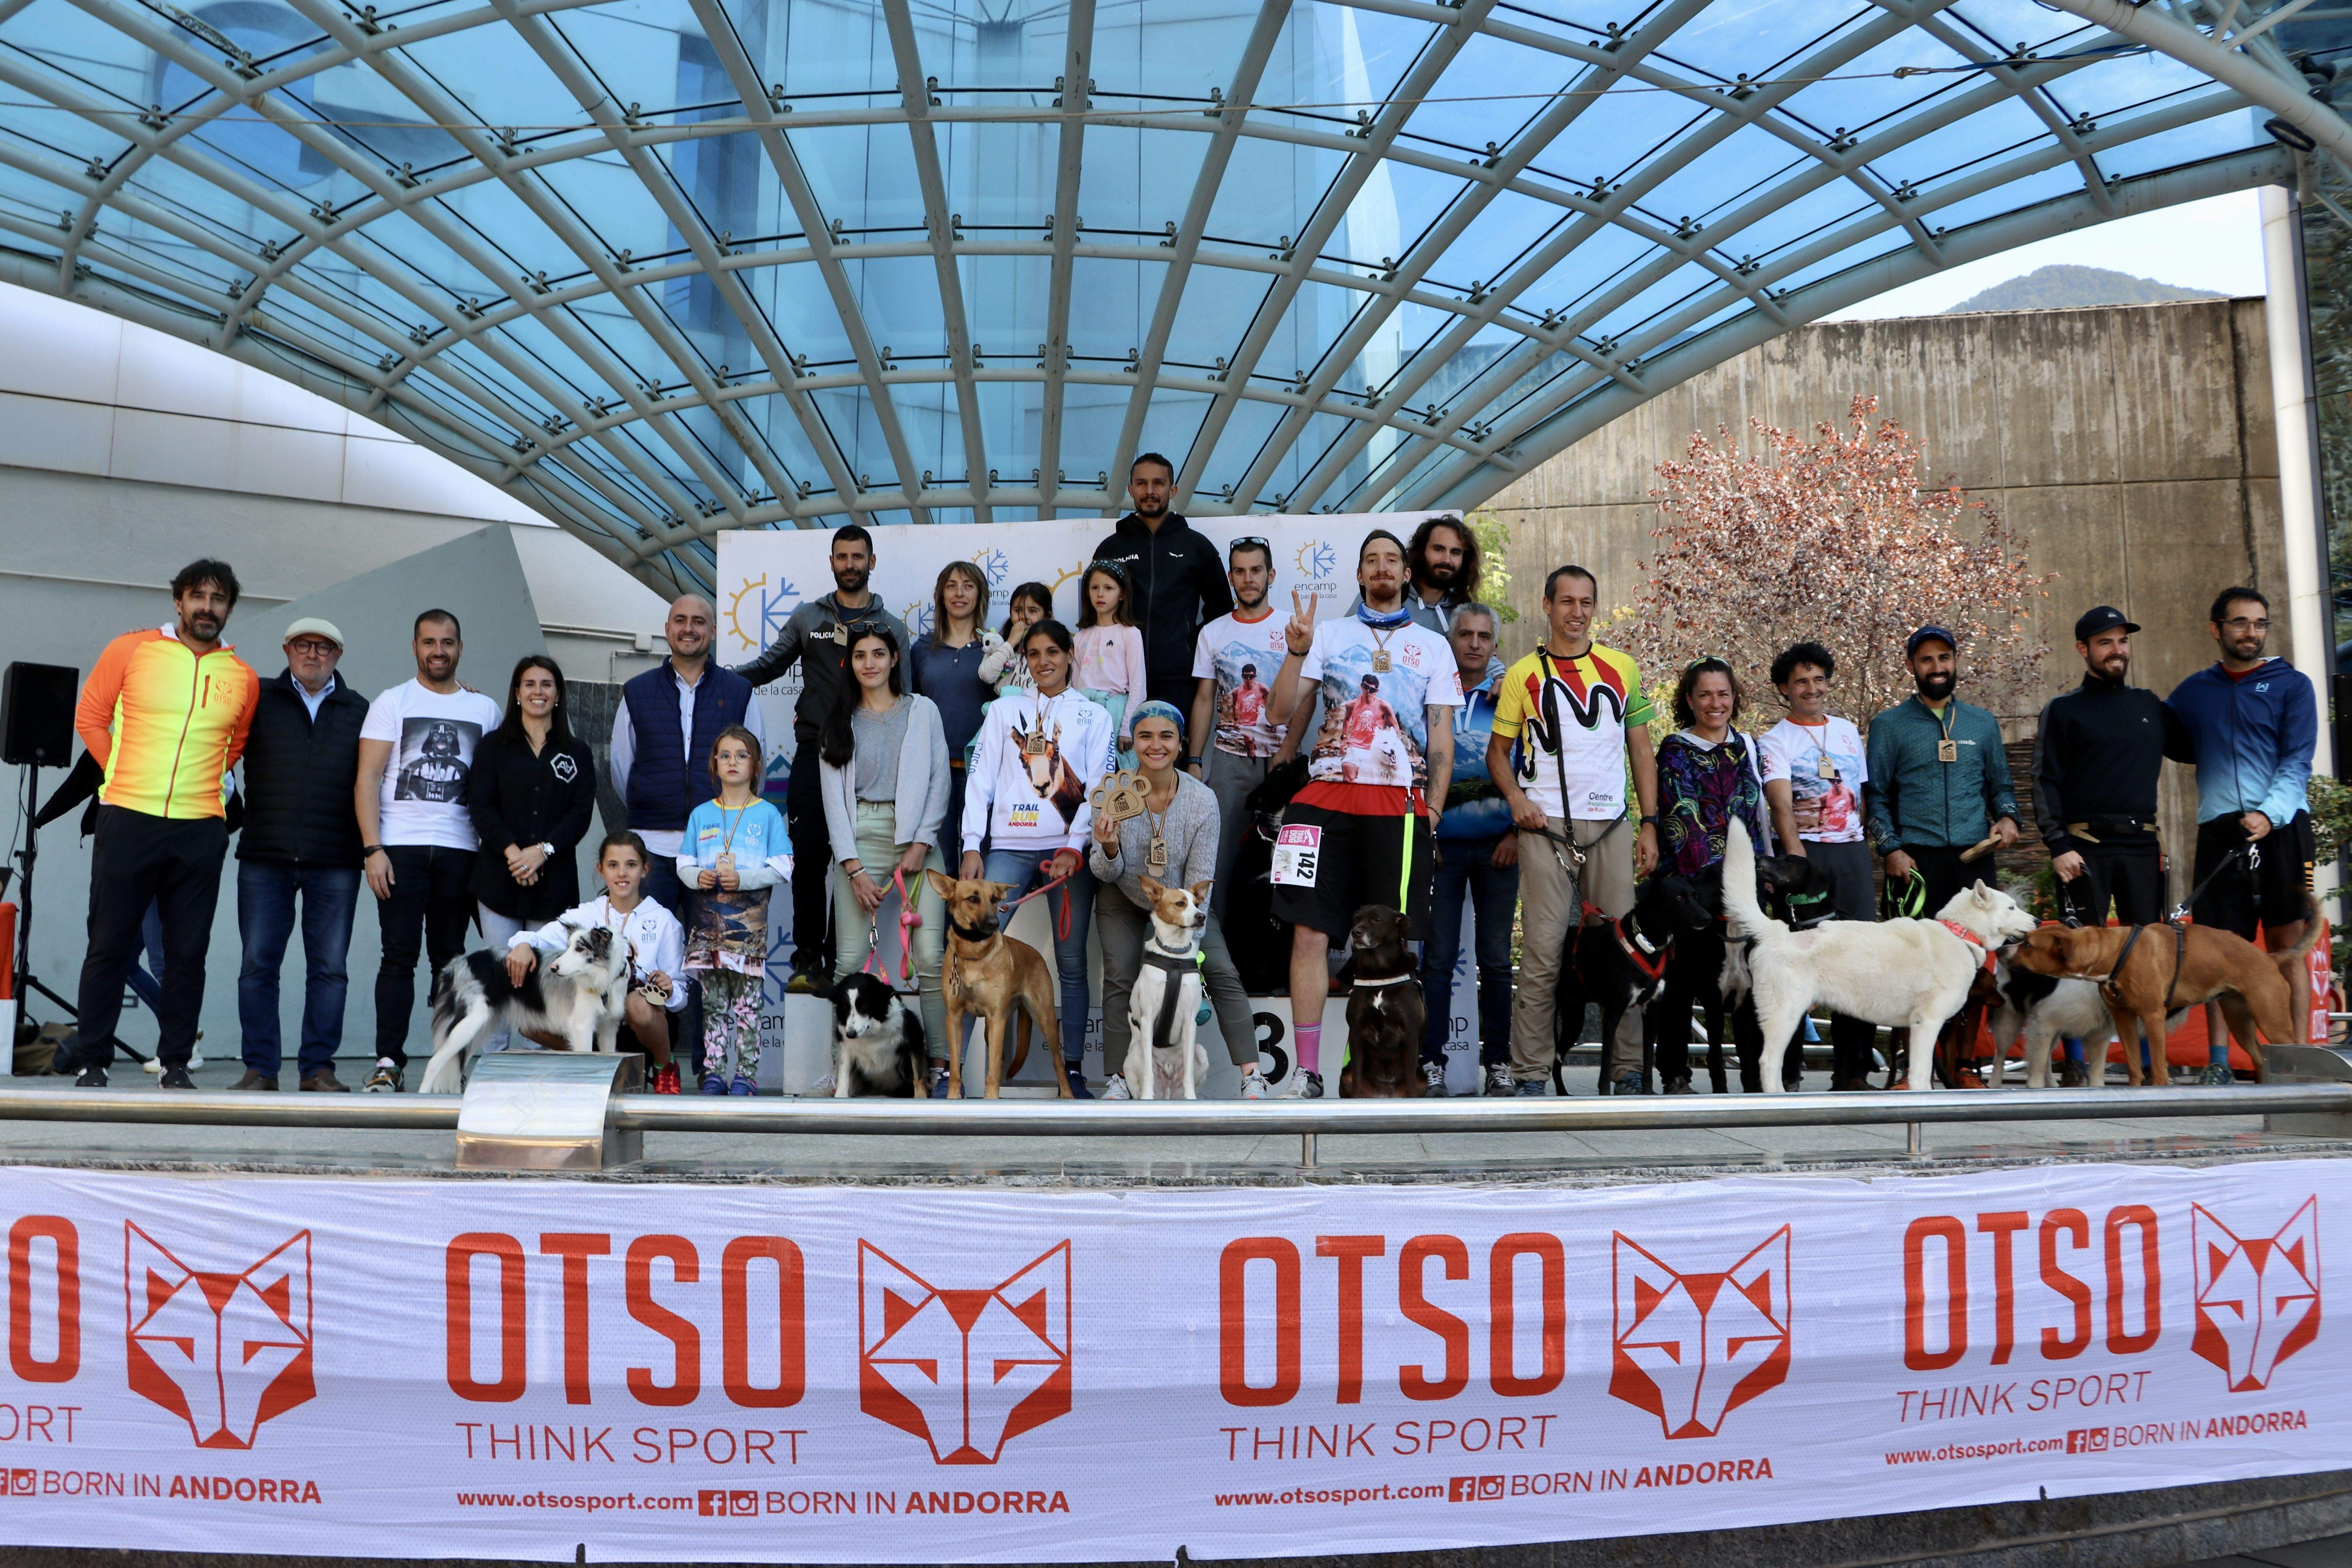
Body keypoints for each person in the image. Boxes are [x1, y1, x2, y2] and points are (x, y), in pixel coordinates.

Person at [1265, 532, 1462, 1100]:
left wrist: (1435, 810)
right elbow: (1280, 714)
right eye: (1371, 561)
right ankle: (1307, 1072)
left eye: (1391, 562)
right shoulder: (1328, 633)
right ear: (1359, 575)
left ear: (1406, 574)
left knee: (1392, 947)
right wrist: (1297, 651)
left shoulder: (1433, 645)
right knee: (1308, 934)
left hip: (1397, 808)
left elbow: (1441, 735)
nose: (1382, 570)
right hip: (1322, 802)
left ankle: (1375, 1071)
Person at [70, 558, 260, 1088]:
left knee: (187, 953)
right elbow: (91, 716)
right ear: (178, 601)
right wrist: (122, 773)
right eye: (198, 596)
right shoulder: (130, 649)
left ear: (228, 609)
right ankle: (93, 1060)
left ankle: (176, 1062)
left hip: (200, 828)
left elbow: (234, 746)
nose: (207, 607)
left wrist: (201, 789)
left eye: (218, 600)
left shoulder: (241, 676)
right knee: (109, 943)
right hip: (128, 816)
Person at [1487, 565, 1659, 1096]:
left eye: (1587, 602)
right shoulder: (1522, 674)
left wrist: (1649, 823)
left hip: (1610, 825)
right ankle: (1531, 1074)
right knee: (1542, 953)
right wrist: (1517, 801)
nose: (1577, 612)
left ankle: (1627, 1070)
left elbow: (1641, 750)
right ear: (1547, 606)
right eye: (1566, 601)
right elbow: (1499, 752)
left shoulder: (1622, 668)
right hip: (1545, 830)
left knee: (1628, 953)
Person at [735, 526, 911, 991]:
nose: (850, 564)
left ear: (872, 562)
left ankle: (839, 961)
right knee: (810, 862)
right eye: (842, 557)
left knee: (852, 861)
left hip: (871, 759)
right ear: (831, 562)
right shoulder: (807, 616)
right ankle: (807, 960)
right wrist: (718, 679)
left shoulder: (892, 627)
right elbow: (768, 667)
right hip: (815, 753)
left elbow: (907, 697)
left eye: (859, 557)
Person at [2165, 586, 2318, 1085]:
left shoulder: (2292, 684)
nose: (2251, 633)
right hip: (2220, 829)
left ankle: (2296, 1060)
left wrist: (2268, 815)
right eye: (2240, 623)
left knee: (2286, 943)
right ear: (2217, 629)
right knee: (2218, 950)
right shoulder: (2193, 692)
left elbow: (2299, 759)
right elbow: (2169, 741)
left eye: (2259, 624)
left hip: (2283, 826)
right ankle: (2219, 1060)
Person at [961, 619, 1117, 1095]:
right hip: (1008, 845)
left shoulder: (1094, 715)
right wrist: (972, 843)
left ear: (1071, 654)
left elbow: (1097, 788)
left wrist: (1075, 844)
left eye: (1053, 651)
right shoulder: (1004, 712)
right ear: (1024, 660)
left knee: (1072, 964)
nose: (1045, 661)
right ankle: (947, 1070)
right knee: (970, 951)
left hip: (1067, 851)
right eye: (1034, 654)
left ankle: (1070, 1070)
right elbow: (980, 778)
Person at [1088, 701, 1273, 1100]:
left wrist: (1187, 940)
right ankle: (1119, 1078)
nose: (1156, 745)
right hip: (1126, 896)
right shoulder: (1114, 793)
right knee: (1120, 974)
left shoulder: (1202, 800)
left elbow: (1200, 881)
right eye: (1146, 736)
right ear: (1132, 742)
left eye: (1166, 736)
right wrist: (1107, 847)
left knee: (1222, 970)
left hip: (1183, 906)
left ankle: (1252, 1075)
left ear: (1181, 741)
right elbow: (1105, 873)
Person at [1863, 624, 2020, 1089]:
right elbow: (1877, 796)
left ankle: (1965, 1064)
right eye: (1927, 660)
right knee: (1911, 969)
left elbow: (2002, 786)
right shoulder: (1889, 725)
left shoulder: (1981, 723)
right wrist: (1890, 847)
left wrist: (2007, 818)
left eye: (1944, 658)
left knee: (1974, 968)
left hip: (1974, 865)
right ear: (1912, 666)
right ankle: (1913, 1072)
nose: (1937, 667)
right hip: (1915, 864)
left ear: (1955, 662)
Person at [2031, 606, 2183, 1086]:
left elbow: (2200, 745)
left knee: (2151, 962)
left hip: (2142, 846)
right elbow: (2044, 780)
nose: (2116, 650)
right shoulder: (2065, 709)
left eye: (2122, 641)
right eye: (2104, 642)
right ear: (2084, 650)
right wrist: (2057, 844)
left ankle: (2141, 1066)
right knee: (2074, 955)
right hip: (2084, 848)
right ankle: (2074, 1059)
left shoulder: (2150, 705)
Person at [354, 609, 503, 1093]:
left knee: (451, 960)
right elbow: (368, 780)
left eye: (448, 642)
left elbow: (493, 786)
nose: (439, 651)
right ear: (415, 647)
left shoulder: (486, 710)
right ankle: (388, 1062)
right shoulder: (392, 701)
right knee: (397, 956)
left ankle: (449, 1061)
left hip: (461, 851)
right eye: (429, 642)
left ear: (461, 647)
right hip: (400, 849)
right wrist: (373, 848)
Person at [232, 616, 367, 1092]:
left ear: (339, 656)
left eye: (325, 647)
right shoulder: (258, 698)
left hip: (336, 858)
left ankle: (317, 1069)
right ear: (287, 649)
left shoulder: (361, 709)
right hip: (265, 854)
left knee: (329, 969)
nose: (314, 654)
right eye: (305, 645)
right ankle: (260, 1069)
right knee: (257, 964)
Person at [819, 627, 951, 1082]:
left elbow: (939, 780)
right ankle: (840, 1073)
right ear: (850, 664)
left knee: (932, 958)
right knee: (849, 960)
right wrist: (852, 867)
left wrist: (921, 842)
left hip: (917, 837)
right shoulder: (839, 717)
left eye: (879, 654)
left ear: (896, 658)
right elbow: (832, 799)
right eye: (860, 656)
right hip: (861, 837)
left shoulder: (922, 711)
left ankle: (935, 1069)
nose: (870, 663)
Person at [1757, 641, 1878, 1091]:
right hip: (1806, 855)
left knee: (1860, 963)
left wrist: (1860, 844)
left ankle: (1853, 1072)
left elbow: (1862, 796)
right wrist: (1796, 860)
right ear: (1785, 689)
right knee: (1797, 963)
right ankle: (1788, 1072)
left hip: (1850, 852)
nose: (1812, 688)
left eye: (1819, 679)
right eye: (1801, 682)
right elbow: (1781, 805)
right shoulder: (1774, 740)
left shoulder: (1847, 731)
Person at [1653, 659, 1774, 1094]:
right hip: (1695, 886)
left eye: (1723, 694)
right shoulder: (1675, 750)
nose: (1715, 703)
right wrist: (1717, 881)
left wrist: (1762, 872)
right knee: (1685, 981)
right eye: (1704, 694)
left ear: (1734, 697)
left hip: (1746, 884)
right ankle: (1675, 1073)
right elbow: (1680, 819)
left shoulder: (1748, 747)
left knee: (1749, 979)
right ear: (1689, 700)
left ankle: (1756, 1077)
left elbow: (1757, 815)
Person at [469, 655, 598, 1054]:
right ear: (517, 692)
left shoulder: (577, 752)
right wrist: (515, 855)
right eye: (530, 684)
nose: (538, 691)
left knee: (549, 983)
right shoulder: (494, 746)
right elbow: (481, 806)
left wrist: (541, 853)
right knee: (500, 978)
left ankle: (544, 1072)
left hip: (553, 883)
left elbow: (580, 815)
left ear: (558, 694)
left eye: (547, 684)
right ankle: (492, 1070)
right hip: (497, 880)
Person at [1417, 605, 1517, 1098]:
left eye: (1484, 636)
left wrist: (1518, 834)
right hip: (1442, 850)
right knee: (1436, 960)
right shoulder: (1430, 690)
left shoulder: (1512, 696)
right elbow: (1417, 764)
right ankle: (1432, 1062)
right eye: (1465, 634)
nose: (1474, 643)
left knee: (1497, 960)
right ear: (1450, 639)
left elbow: (1534, 770)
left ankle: (1499, 1064)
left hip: (1502, 845)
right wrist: (1425, 836)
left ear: (1494, 645)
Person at [507, 832, 687, 1093]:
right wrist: (522, 944)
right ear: (601, 870)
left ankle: (664, 1066)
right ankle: (592, 1066)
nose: (622, 873)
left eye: (632, 865)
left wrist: (670, 988)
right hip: (596, 1023)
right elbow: (537, 937)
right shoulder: (587, 914)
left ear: (645, 870)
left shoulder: (663, 920)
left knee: (636, 1004)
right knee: (529, 1022)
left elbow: (681, 996)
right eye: (613, 865)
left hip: (644, 1027)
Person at [678, 727, 792, 1094]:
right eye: (725, 755)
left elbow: (783, 867)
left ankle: (745, 1076)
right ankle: (713, 1073)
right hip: (707, 930)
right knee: (712, 1005)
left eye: (741, 755)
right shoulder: (700, 815)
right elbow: (683, 865)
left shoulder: (769, 815)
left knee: (747, 1006)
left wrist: (741, 879)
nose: (732, 762)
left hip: (749, 933)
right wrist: (701, 876)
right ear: (714, 763)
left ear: (756, 764)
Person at [1187, 536, 1288, 920]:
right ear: (1230, 577)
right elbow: (1203, 700)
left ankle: (1276, 964)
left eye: (1256, 570)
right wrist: (1195, 759)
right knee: (1221, 862)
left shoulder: (1290, 627)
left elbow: (1307, 695)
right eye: (1241, 572)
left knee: (1285, 863)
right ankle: (1220, 961)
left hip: (1281, 760)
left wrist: (1290, 747)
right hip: (1230, 759)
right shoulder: (1213, 633)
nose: (1249, 579)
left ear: (1270, 574)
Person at [1090, 453, 1234, 714]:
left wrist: (1189, 643)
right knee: (1118, 753)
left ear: (1173, 489)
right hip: (1116, 677)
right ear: (1131, 490)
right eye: (1142, 484)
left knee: (1171, 753)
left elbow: (1222, 608)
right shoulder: (1111, 548)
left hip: (1177, 678)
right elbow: (1093, 610)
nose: (1150, 491)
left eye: (1158, 483)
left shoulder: (1196, 546)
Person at [908, 561, 1005, 853]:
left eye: (968, 586)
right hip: (935, 771)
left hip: (985, 771)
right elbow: (911, 708)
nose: (959, 593)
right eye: (951, 586)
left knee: (983, 864)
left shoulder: (997, 650)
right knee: (942, 864)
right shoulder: (922, 648)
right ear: (941, 595)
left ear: (980, 595)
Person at [1348, 514, 1480, 635]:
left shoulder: (1463, 611)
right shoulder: (1381, 596)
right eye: (1438, 549)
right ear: (1421, 552)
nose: (1447, 560)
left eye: (1455, 553)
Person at [1073, 560, 1148, 746]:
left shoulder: (1131, 634)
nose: (1100, 594)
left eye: (1109, 588)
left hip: (1116, 712)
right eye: (1095, 588)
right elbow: (1073, 685)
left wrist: (1127, 728)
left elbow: (1138, 687)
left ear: (1122, 594)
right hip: (1084, 714)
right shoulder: (1080, 637)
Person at [981, 581, 1053, 695]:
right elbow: (987, 676)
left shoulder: (1055, 646)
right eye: (1018, 610)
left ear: (1047, 616)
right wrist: (1010, 643)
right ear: (1010, 613)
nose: (1025, 617)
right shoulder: (999, 643)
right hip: (1007, 710)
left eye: (1033, 611)